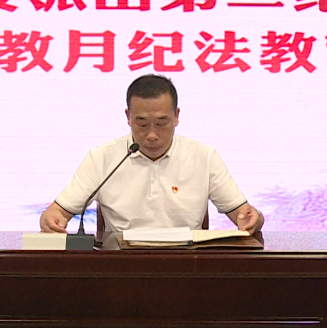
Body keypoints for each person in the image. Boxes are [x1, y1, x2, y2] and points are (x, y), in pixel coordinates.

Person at [39, 74, 264, 235]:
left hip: (187, 267)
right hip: (121, 266)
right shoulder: (102, 158)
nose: (152, 135)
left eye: (161, 123)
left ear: (177, 116)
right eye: (142, 124)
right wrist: (51, 220)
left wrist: (254, 218)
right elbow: (57, 212)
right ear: (128, 117)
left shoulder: (204, 157)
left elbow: (243, 213)